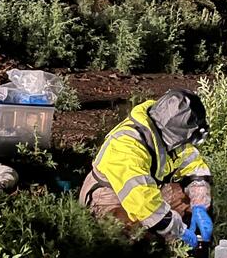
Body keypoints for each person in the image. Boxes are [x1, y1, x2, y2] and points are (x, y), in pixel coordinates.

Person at [79, 89, 214, 247]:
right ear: (174, 134)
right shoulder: (127, 146)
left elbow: (194, 167)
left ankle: (186, 254)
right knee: (139, 239)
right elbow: (145, 205)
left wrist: (199, 205)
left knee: (185, 203)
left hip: (146, 190)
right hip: (108, 196)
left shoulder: (169, 130)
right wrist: (178, 230)